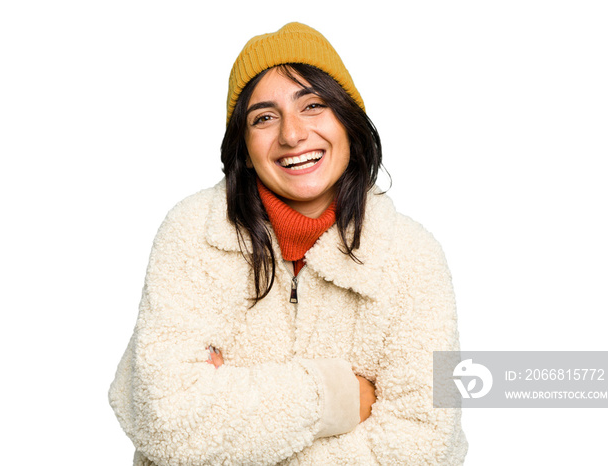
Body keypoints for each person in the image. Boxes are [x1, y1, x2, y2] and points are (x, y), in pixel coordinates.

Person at [109, 22, 468, 465]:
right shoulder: (191, 233)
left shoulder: (414, 258)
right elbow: (166, 418)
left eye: (313, 105)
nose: (292, 135)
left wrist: (232, 421)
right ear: (243, 145)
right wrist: (338, 397)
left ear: (348, 121)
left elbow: (426, 445)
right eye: (264, 117)